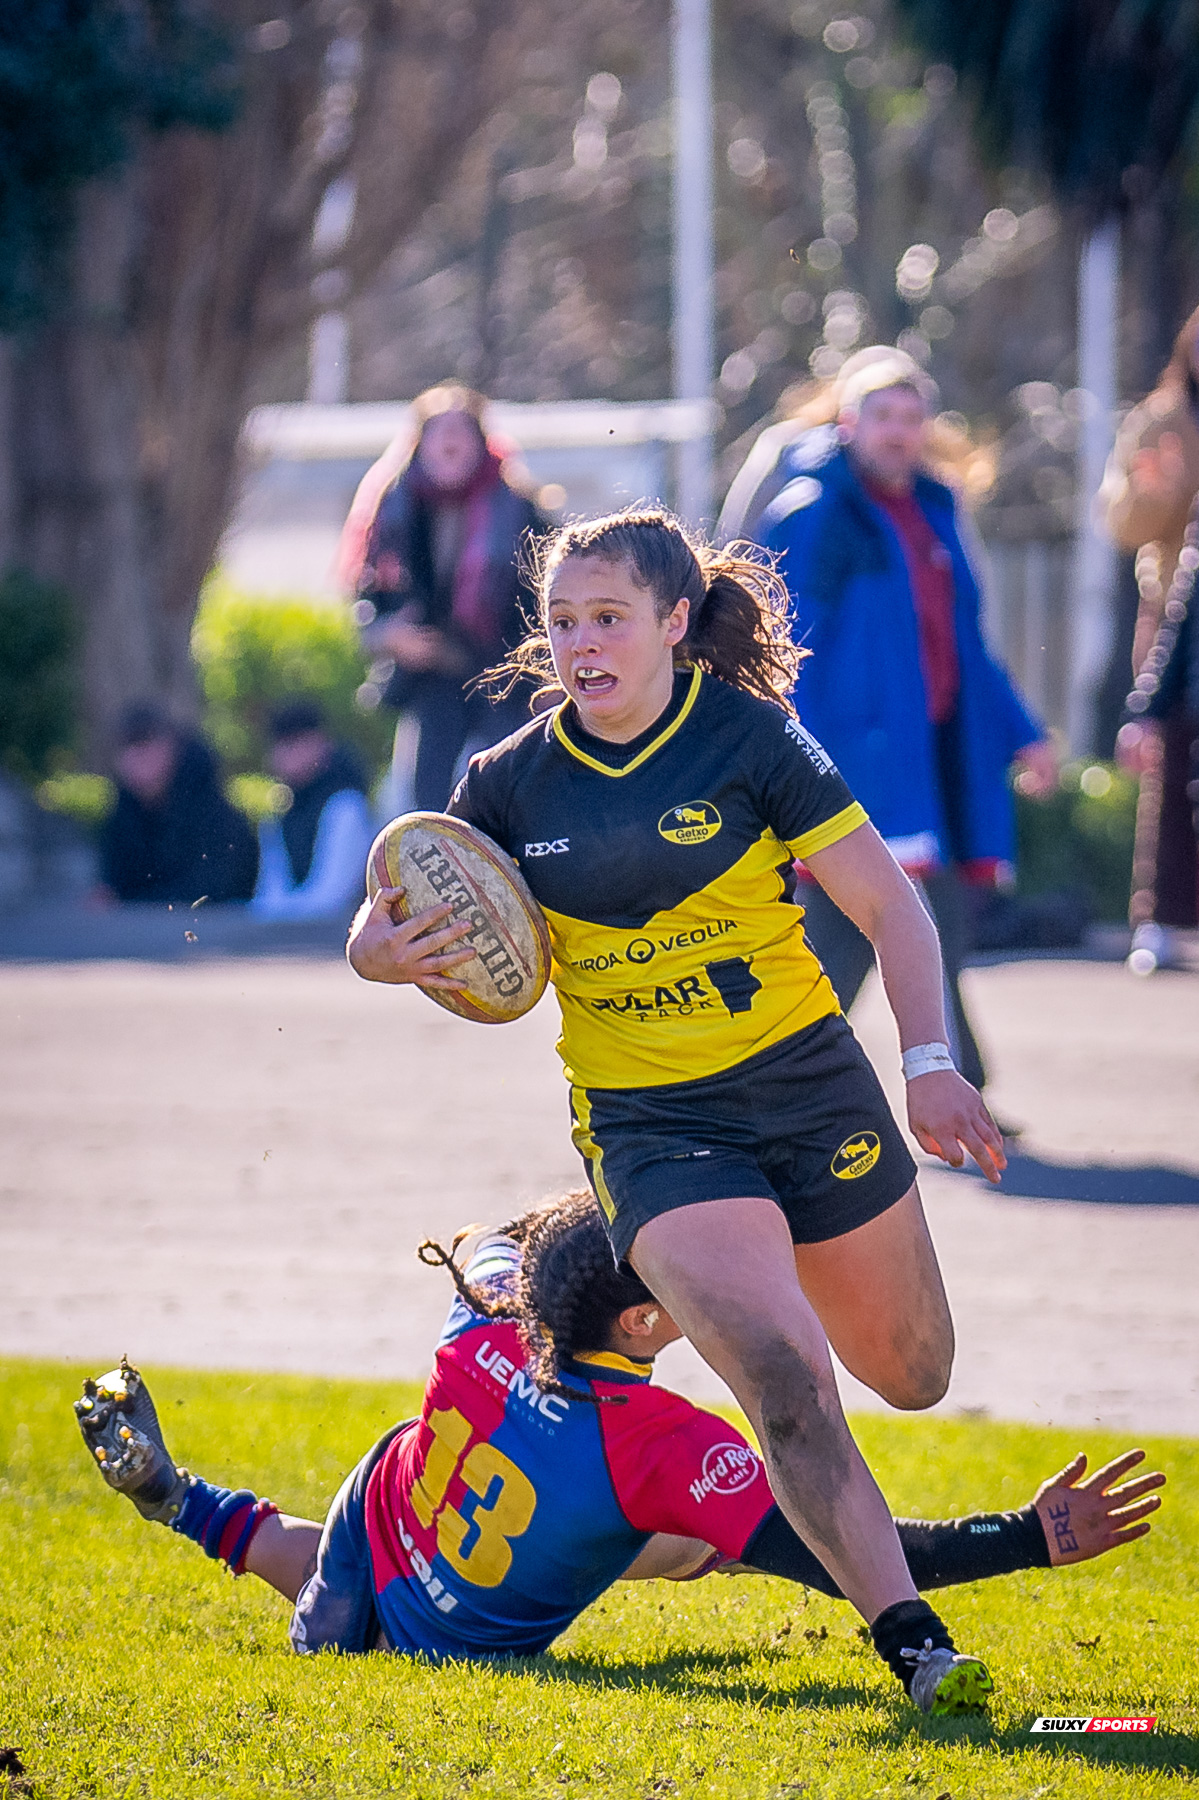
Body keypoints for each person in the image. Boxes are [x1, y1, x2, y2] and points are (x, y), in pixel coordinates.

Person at [347, 504, 1013, 1714]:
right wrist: (379, 953)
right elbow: (387, 916)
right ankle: (915, 1648)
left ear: (671, 621)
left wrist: (928, 1063)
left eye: (607, 618)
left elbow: (890, 909)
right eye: (561, 622)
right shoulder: (506, 780)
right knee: (783, 1381)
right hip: (652, 1124)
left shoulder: (749, 739)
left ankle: (801, 1259)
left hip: (806, 1085)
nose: (580, 644)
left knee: (911, 1372)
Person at [75, 1189, 1163, 1701]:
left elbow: (490, 1239)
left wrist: (562, 1227)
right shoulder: (664, 1447)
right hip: (453, 1638)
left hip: (393, 1519)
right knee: (702, 1534)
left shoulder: (487, 1315)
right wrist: (1027, 1536)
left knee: (350, 1551)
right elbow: (858, 1553)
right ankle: (188, 1505)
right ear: (642, 1323)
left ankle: (181, 1501)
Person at [751, 349, 1057, 1099]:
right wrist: (798, 762)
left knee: (930, 923)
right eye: (882, 416)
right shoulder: (815, 512)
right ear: (848, 423)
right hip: (857, 763)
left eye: (911, 417)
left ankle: (953, 1085)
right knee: (852, 937)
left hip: (931, 760)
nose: (897, 432)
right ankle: (770, 1089)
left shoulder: (933, 511)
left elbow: (965, 644)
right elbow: (786, 648)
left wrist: (1023, 733)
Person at [341, 384, 546, 811]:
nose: (450, 439)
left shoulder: (520, 510)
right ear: (420, 444)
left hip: (505, 682)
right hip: (431, 684)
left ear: (481, 441)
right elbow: (366, 603)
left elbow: (547, 602)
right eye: (438, 430)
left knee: (506, 800)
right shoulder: (395, 510)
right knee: (427, 807)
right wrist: (388, 635)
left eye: (461, 429)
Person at [1097, 303, 1199, 976]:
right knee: (1166, 761)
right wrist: (1155, 492)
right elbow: (1121, 524)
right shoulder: (1161, 421)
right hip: (1177, 612)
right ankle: (1155, 914)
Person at [96, 702, 258, 905]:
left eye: (144, 747)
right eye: (128, 749)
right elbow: (115, 886)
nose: (134, 761)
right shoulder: (123, 819)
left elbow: (213, 892)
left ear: (172, 749)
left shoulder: (218, 821)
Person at [249, 701, 375, 923]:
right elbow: (269, 895)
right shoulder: (280, 815)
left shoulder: (346, 805)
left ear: (319, 742)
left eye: (292, 744)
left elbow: (332, 897)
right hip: (292, 934)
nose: (281, 755)